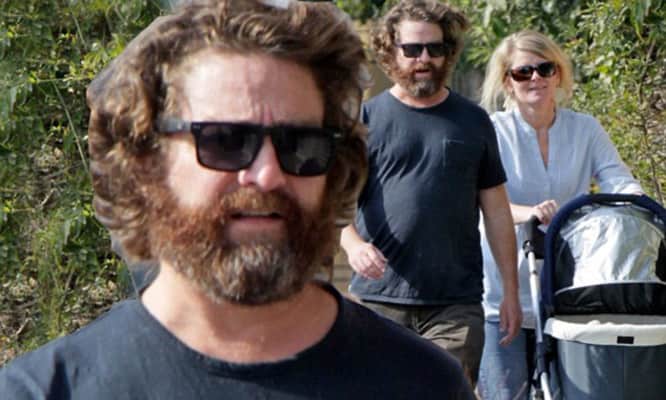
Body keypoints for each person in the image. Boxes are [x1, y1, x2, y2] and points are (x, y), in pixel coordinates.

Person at [0, 1, 476, 399]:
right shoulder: (43, 390)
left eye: (300, 145)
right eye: (224, 140)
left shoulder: (426, 384)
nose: (266, 174)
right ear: (145, 162)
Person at [339, 0, 522, 387]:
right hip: (379, 301)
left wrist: (511, 290)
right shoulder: (367, 120)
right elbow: (334, 203)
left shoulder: (473, 121)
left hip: (456, 304)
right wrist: (353, 246)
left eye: (434, 48)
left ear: (448, 52)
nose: (424, 58)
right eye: (412, 49)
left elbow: (497, 212)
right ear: (391, 52)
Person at [476, 30, 643, 400]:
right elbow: (480, 199)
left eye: (545, 68)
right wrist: (529, 213)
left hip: (569, 293)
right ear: (507, 81)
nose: (535, 78)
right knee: (507, 393)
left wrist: (634, 201)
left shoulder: (585, 129)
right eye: (523, 72)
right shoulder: (492, 131)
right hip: (502, 292)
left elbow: (618, 179)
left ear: (558, 74)